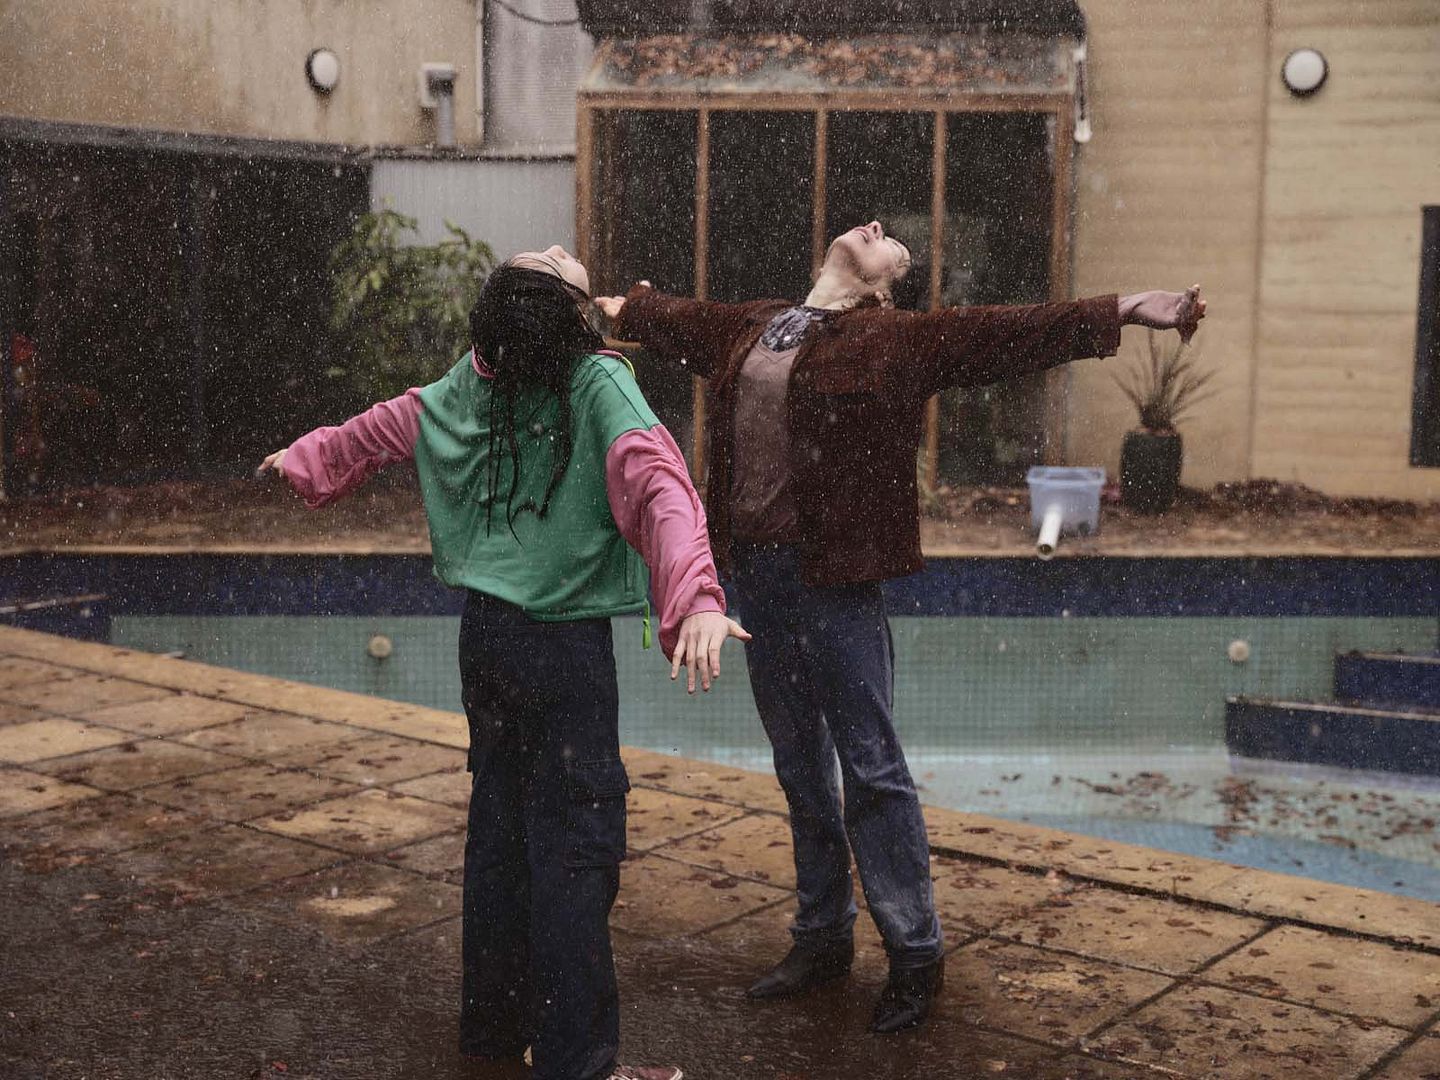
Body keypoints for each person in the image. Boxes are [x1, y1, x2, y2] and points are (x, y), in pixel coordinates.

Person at [596, 221, 1206, 1034]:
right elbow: (679, 316)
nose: (877, 228)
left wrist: (1128, 307)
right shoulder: (756, 325)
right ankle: (822, 938)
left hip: (836, 583)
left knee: (872, 770)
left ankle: (915, 953)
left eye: (892, 247)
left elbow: (1019, 330)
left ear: (883, 286)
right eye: (874, 228)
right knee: (799, 766)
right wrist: (625, 306)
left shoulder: (897, 340)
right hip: (761, 580)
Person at [260, 246, 749, 1080]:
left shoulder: (475, 379)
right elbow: (660, 486)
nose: (559, 248)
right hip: (562, 650)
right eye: (552, 264)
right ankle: (576, 1063)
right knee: (575, 851)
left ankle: (493, 1031)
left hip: (486, 641)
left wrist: (306, 459)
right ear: (572, 316)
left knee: (501, 836)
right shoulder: (594, 381)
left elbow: (385, 425)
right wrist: (696, 597)